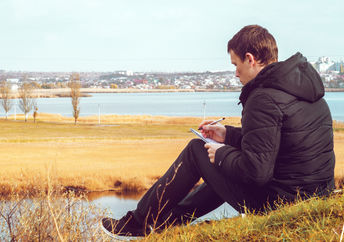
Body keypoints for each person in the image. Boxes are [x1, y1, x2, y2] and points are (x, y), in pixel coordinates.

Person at [101, 25, 335, 238]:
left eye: (236, 65)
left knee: (197, 151)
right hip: (313, 195)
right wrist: (227, 136)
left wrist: (221, 154)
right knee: (219, 165)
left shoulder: (262, 97)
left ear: (250, 59)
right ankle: (168, 221)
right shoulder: (305, 90)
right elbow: (274, 142)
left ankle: (137, 222)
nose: (235, 73)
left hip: (281, 203)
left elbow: (256, 173)